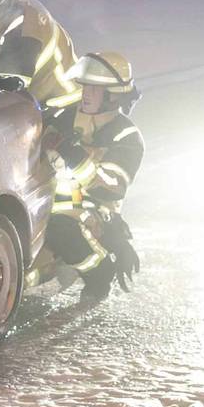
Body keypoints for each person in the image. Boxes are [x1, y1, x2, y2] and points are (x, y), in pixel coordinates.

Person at [46, 50, 143, 301]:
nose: (86, 93)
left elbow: (111, 188)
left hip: (95, 207)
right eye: (85, 86)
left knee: (60, 227)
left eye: (95, 89)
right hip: (49, 191)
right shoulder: (67, 115)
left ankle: (99, 273)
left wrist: (76, 158)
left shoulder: (127, 136)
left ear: (112, 96)